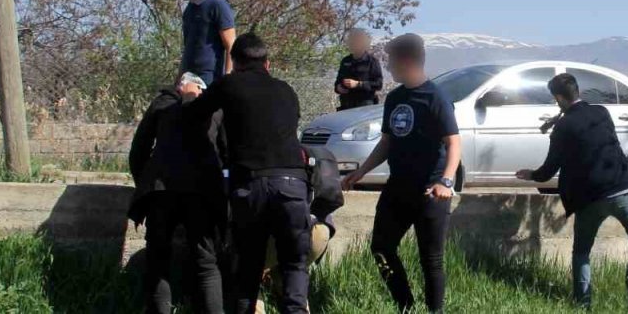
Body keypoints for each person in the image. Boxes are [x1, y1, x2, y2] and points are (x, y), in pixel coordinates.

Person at [186, 33, 312, 314]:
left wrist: (190, 96)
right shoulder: (286, 90)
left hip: (250, 186)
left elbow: (194, 115)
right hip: (292, 184)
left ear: (235, 62)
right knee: (294, 263)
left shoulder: (229, 84)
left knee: (248, 269)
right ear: (268, 63)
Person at [341, 33, 460, 313]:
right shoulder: (395, 98)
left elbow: (454, 143)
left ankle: (435, 311)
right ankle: (404, 304)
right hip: (398, 188)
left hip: (430, 190)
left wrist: (445, 181)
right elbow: (387, 141)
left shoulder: (436, 97)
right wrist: (361, 172)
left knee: (430, 258)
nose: (388, 66)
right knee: (381, 247)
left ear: (406, 60)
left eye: (390, 60)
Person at [516, 73, 628, 308]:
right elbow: (591, 132)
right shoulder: (601, 113)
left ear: (558, 97)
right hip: (623, 186)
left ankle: (583, 302)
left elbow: (549, 170)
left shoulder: (562, 128)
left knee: (582, 252)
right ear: (577, 90)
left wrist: (531, 174)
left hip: (591, 198)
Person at [127, 72, 226, 314]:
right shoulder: (216, 110)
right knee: (205, 262)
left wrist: (146, 185)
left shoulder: (161, 104)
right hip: (201, 191)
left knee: (158, 259)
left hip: (162, 190)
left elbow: (138, 150)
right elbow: (226, 154)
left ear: (178, 88)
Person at [173, 0, 236, 86]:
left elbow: (231, 45)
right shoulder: (188, 11)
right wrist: (178, 80)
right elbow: (188, 49)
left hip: (209, 81)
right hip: (188, 80)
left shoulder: (216, 5)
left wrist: (228, 77)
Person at [334, 28, 383, 110]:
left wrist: (358, 84)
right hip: (346, 106)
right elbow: (337, 82)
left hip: (364, 107)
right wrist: (338, 88)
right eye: (351, 42)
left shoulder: (371, 61)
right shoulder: (345, 61)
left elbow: (378, 84)